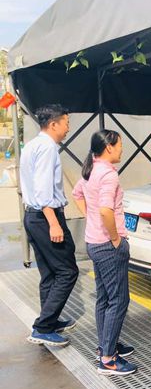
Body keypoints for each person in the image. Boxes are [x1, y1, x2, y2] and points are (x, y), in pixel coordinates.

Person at [72, 130, 136, 376]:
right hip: (108, 246)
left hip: (93, 242)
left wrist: (92, 220)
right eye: (119, 145)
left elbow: (77, 194)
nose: (121, 149)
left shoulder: (91, 170)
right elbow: (106, 210)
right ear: (109, 147)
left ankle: (106, 346)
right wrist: (115, 238)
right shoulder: (108, 174)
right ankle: (108, 359)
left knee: (105, 298)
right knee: (119, 300)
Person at [21, 104, 78, 347]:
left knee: (49, 273)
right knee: (68, 271)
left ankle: (50, 321)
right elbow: (43, 190)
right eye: (66, 123)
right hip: (46, 217)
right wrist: (54, 224)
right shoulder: (47, 148)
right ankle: (43, 327)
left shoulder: (33, 145)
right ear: (53, 124)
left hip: (33, 217)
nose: (68, 128)